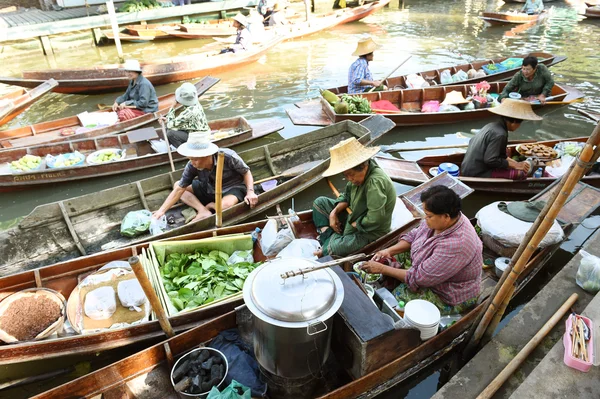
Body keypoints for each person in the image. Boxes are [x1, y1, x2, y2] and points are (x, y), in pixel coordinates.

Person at [360, 186, 482, 315]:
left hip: (449, 291)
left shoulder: (457, 245)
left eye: (428, 216)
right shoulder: (440, 220)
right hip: (427, 267)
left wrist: (381, 269)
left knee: (395, 299)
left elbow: (419, 278)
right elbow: (414, 235)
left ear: (446, 217)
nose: (425, 219)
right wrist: (389, 251)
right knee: (388, 258)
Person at [312, 138, 396, 257]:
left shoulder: (374, 182)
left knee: (333, 248)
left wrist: (355, 224)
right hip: (352, 214)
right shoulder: (357, 177)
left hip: (369, 230)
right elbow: (346, 196)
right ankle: (331, 238)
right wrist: (334, 213)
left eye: (351, 175)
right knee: (319, 203)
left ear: (362, 166)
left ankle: (328, 241)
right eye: (346, 176)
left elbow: (376, 217)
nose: (350, 179)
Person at [152, 131, 259, 223]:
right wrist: (161, 211)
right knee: (177, 185)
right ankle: (203, 210)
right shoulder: (192, 164)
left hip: (232, 188)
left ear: (206, 155)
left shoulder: (227, 156)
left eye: (195, 159)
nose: (192, 163)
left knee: (224, 206)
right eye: (191, 159)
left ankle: (212, 205)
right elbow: (180, 188)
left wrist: (250, 191)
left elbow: (246, 172)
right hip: (208, 188)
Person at [461, 99, 542, 180]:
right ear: (514, 122)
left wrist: (517, 163)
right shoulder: (500, 134)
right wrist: (516, 166)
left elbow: (501, 155)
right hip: (476, 172)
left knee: (506, 151)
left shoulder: (491, 125)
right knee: (521, 174)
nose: (519, 126)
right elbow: (490, 160)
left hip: (467, 167)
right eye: (519, 123)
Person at [161, 82, 210, 149]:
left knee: (170, 133)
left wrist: (172, 107)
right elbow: (172, 122)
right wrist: (167, 120)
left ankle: (184, 151)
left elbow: (170, 125)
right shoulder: (196, 104)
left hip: (199, 139)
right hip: (198, 132)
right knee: (169, 128)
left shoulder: (189, 113)